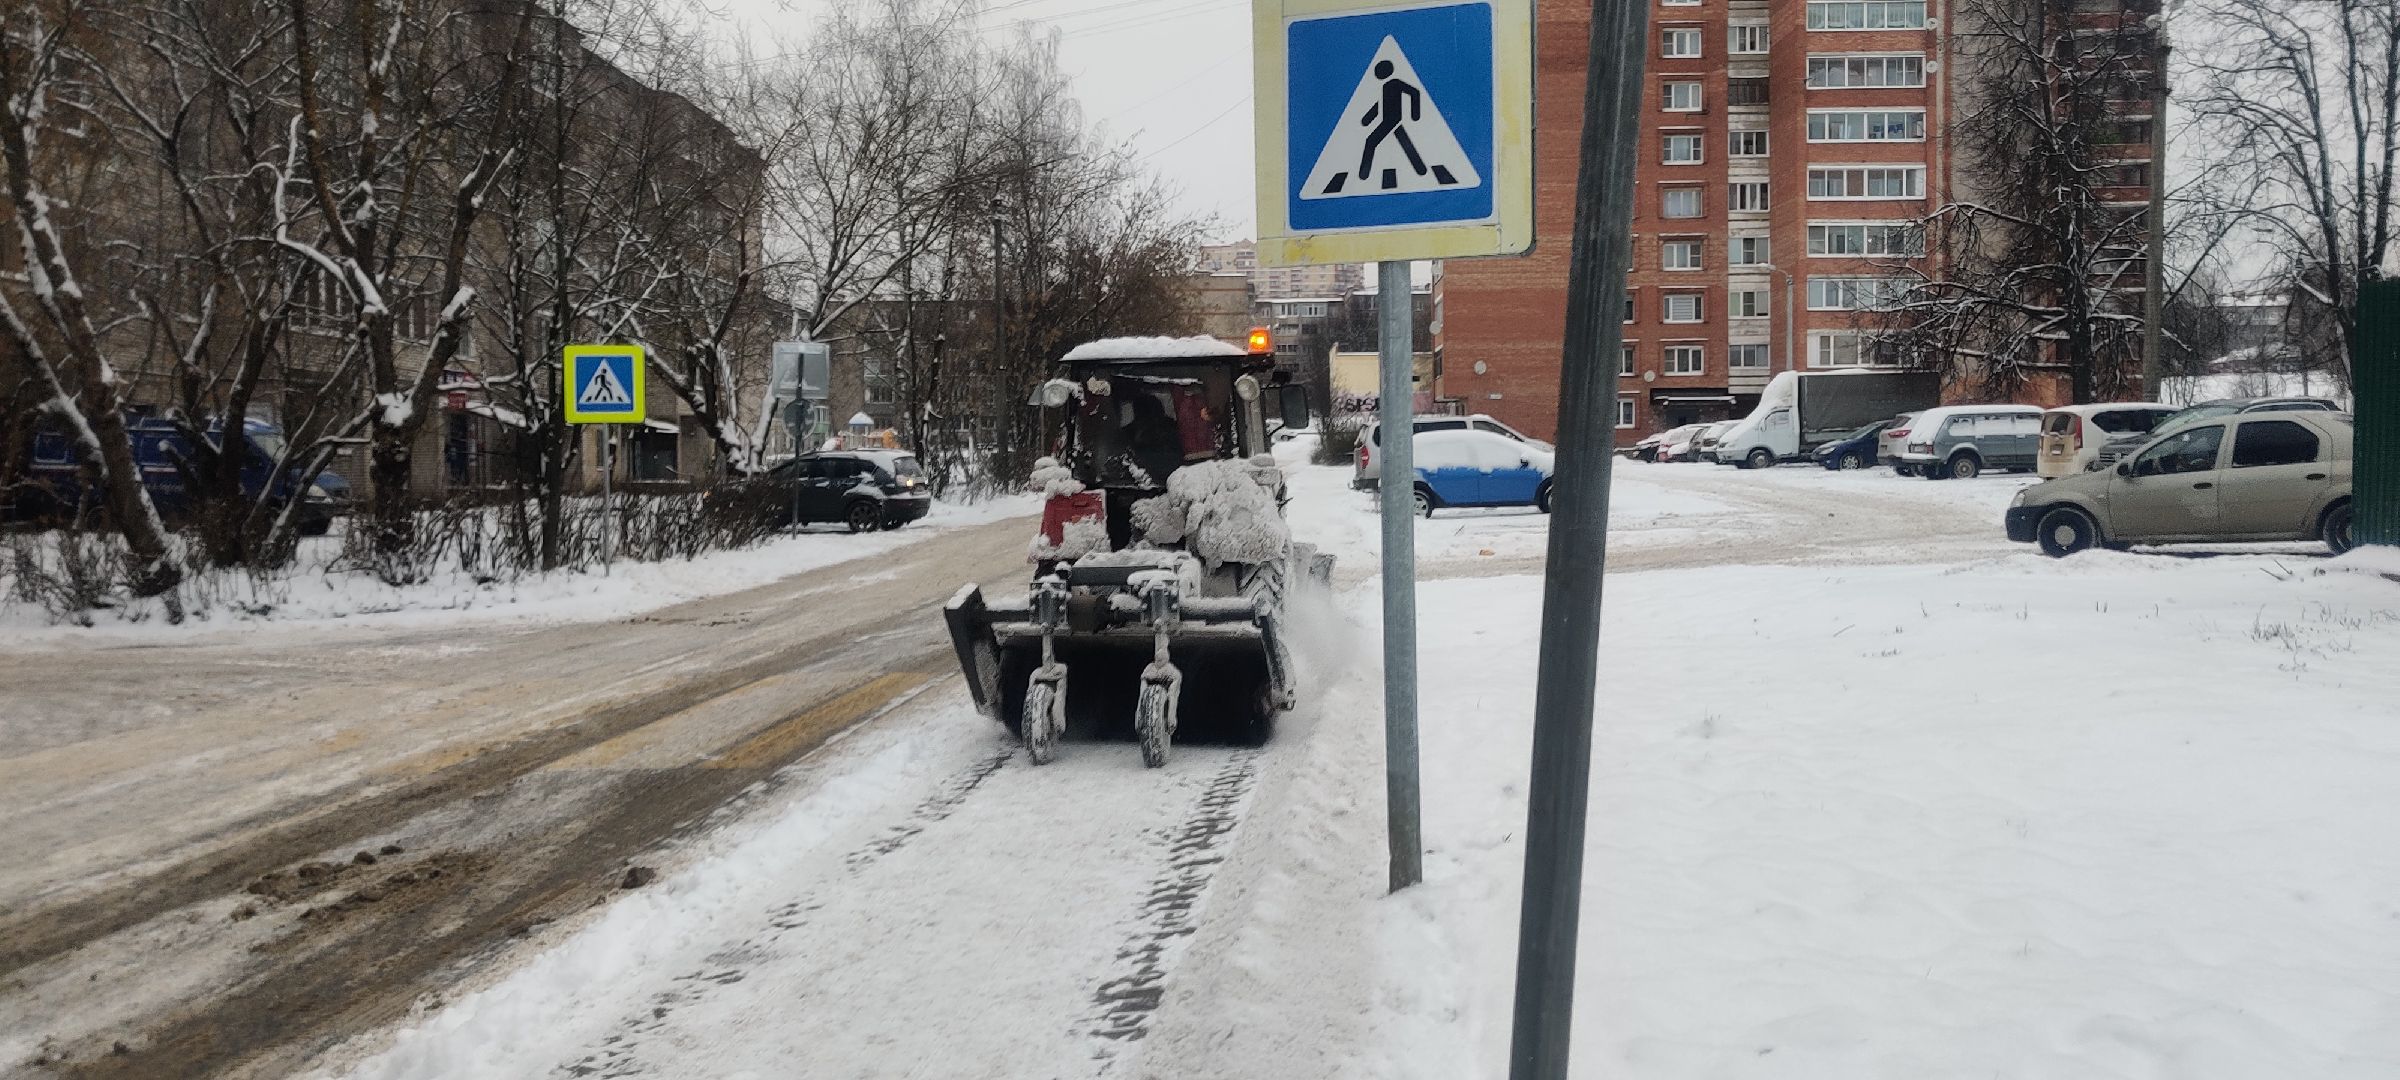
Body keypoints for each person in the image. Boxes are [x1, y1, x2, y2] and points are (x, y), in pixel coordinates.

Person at [1123, 393, 1185, 487]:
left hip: (1176, 481)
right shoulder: (1128, 434)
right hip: (1141, 483)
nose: (1152, 424)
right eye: (1144, 419)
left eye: (1156, 418)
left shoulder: (1174, 430)